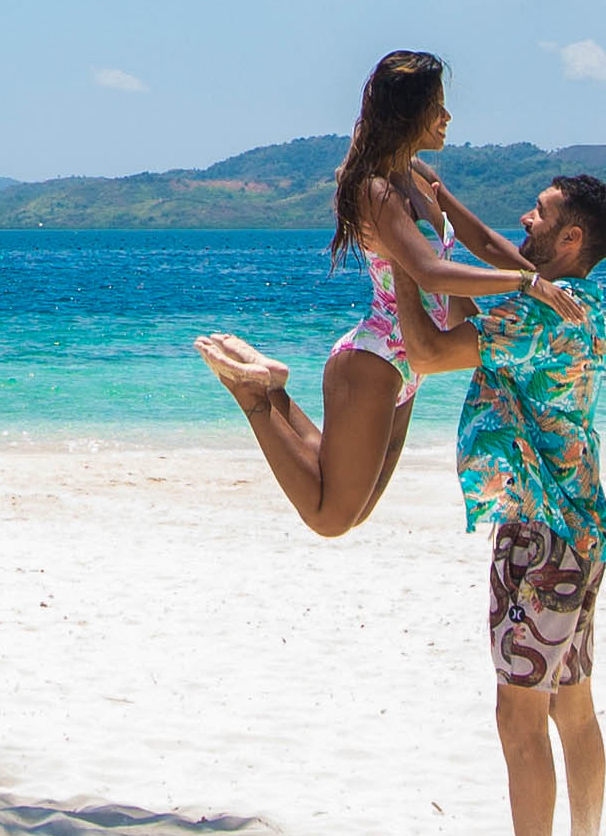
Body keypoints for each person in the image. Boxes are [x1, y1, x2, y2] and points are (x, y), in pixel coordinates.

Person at [190, 51, 553, 538]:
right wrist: (523, 282)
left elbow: (484, 241)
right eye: (437, 106)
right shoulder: (376, 189)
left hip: (409, 364)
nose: (447, 117)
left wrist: (549, 282)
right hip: (375, 358)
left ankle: (272, 387)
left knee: (352, 506)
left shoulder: (419, 176)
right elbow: (429, 272)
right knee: (330, 517)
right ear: (409, 112)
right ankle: (253, 397)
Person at [464, 169, 606, 836]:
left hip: (542, 535)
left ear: (570, 239)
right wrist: (432, 202)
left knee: (517, 709)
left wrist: (400, 263)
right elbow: (494, 250)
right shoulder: (575, 299)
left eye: (542, 211)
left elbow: (430, 349)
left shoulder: (543, 318)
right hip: (580, 528)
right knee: (572, 701)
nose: (522, 215)